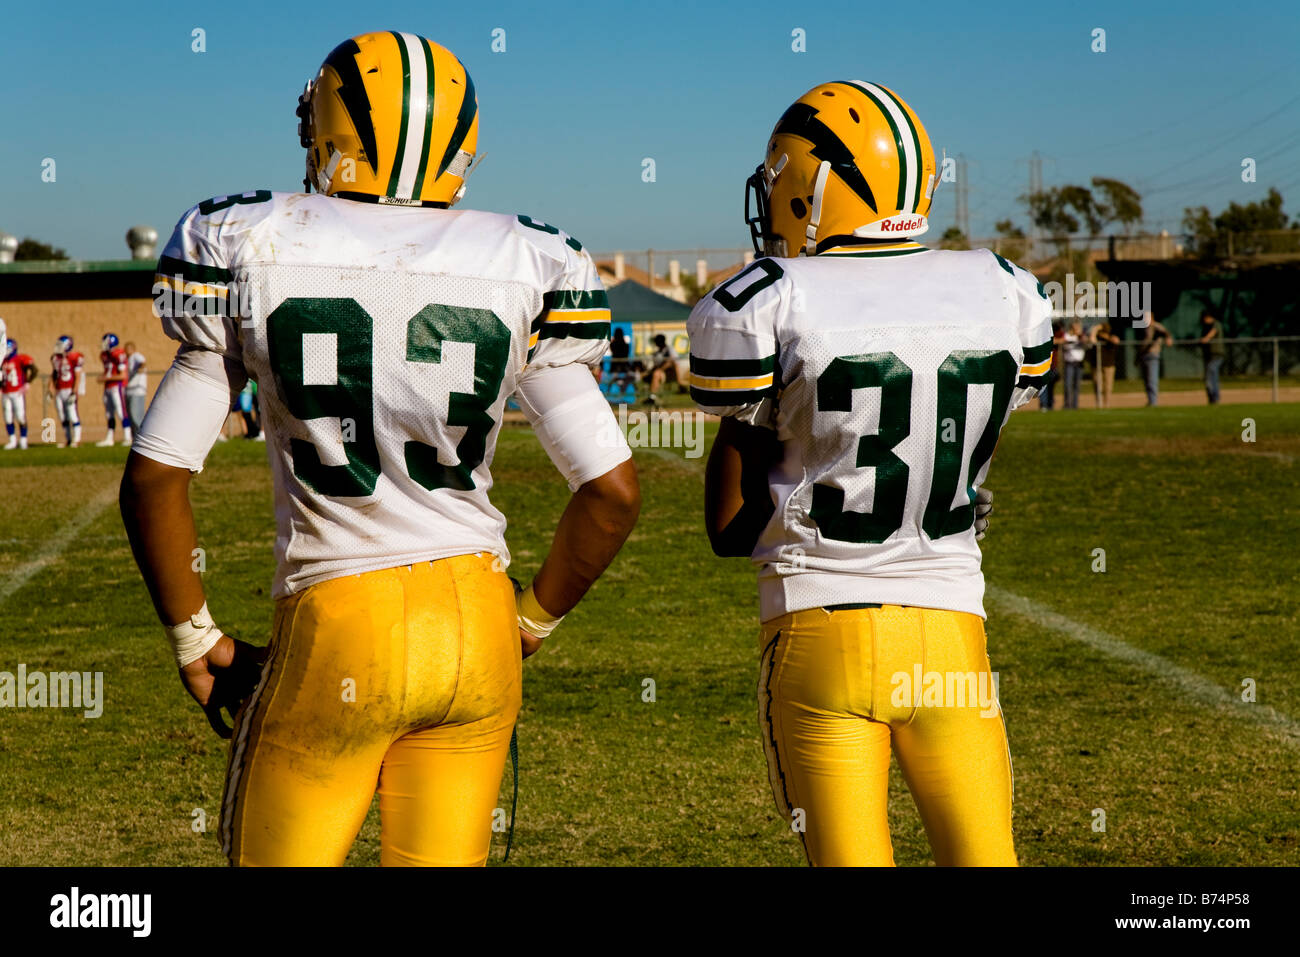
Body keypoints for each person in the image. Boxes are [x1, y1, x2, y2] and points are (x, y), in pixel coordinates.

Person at [120, 31, 640, 867]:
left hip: (340, 617)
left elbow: (155, 478)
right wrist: (529, 624)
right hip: (475, 624)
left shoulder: (250, 239)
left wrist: (196, 637)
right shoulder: (525, 257)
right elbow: (612, 492)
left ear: (329, 131)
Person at [689, 80, 1051, 867]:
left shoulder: (769, 299)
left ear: (809, 186)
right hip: (954, 635)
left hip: (825, 631)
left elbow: (729, 528)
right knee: (986, 857)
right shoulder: (1005, 287)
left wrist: (750, 426)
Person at [95, 333, 132, 446]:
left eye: (106, 342)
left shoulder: (119, 354)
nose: (103, 345)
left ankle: (127, 437)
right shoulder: (105, 355)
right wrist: (105, 377)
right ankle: (110, 438)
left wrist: (106, 377)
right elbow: (109, 371)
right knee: (109, 413)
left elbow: (123, 375)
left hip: (118, 386)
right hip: (108, 386)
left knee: (121, 412)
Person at [1, 338, 37, 450]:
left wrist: (27, 383)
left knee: (20, 417)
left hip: (17, 392)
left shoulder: (20, 359)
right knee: (7, 418)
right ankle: (12, 441)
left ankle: (23, 440)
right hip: (6, 392)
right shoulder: (2, 361)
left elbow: (34, 370)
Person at [50, 335, 84, 447]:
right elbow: (54, 374)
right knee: (62, 416)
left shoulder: (75, 357)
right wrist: (50, 389)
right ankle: (68, 439)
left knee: (72, 414)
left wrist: (74, 392)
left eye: (60, 344)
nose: (58, 347)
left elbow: (78, 376)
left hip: (69, 390)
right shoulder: (56, 358)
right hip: (59, 390)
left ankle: (77, 439)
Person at [1136, 312, 1173, 407]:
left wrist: (1168, 338)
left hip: (1152, 355)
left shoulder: (1156, 326)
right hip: (1144, 355)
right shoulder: (1144, 328)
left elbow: (1166, 333)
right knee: (1147, 381)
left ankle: (1153, 402)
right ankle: (1150, 401)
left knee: (1152, 380)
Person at [642, 333, 681, 405]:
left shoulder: (670, 350)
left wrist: (660, 369)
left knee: (656, 373)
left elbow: (672, 362)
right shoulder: (657, 353)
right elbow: (655, 366)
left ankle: (652, 397)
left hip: (669, 374)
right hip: (660, 373)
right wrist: (647, 372)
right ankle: (653, 397)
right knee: (653, 374)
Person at [1091, 321, 1120, 409]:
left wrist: (1105, 335)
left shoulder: (1111, 337)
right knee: (1097, 385)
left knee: (1108, 386)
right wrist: (1095, 330)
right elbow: (1092, 340)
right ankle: (1099, 404)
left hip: (1109, 365)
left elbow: (1116, 341)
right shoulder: (1097, 338)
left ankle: (1106, 404)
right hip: (1097, 365)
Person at [1199, 310, 1225, 404]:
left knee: (1212, 372)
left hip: (1217, 354)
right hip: (1208, 355)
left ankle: (1215, 397)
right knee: (1208, 376)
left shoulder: (1216, 324)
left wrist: (1206, 338)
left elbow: (1213, 332)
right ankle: (1211, 398)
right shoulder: (1205, 326)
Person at [1061, 321, 1087, 409]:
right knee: (1068, 385)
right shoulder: (1067, 336)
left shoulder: (1081, 336)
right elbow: (1064, 344)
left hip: (1079, 363)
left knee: (1077, 385)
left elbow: (1086, 342)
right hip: (1070, 363)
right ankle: (1067, 404)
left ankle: (1075, 405)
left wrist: (1080, 335)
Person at [124, 342, 148, 430]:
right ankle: (134, 439)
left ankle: (142, 435)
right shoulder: (128, 360)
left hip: (137, 390)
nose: (126, 351)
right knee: (131, 417)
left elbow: (142, 361)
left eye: (128, 349)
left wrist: (141, 367)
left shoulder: (136, 356)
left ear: (133, 349)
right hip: (129, 390)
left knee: (136, 416)